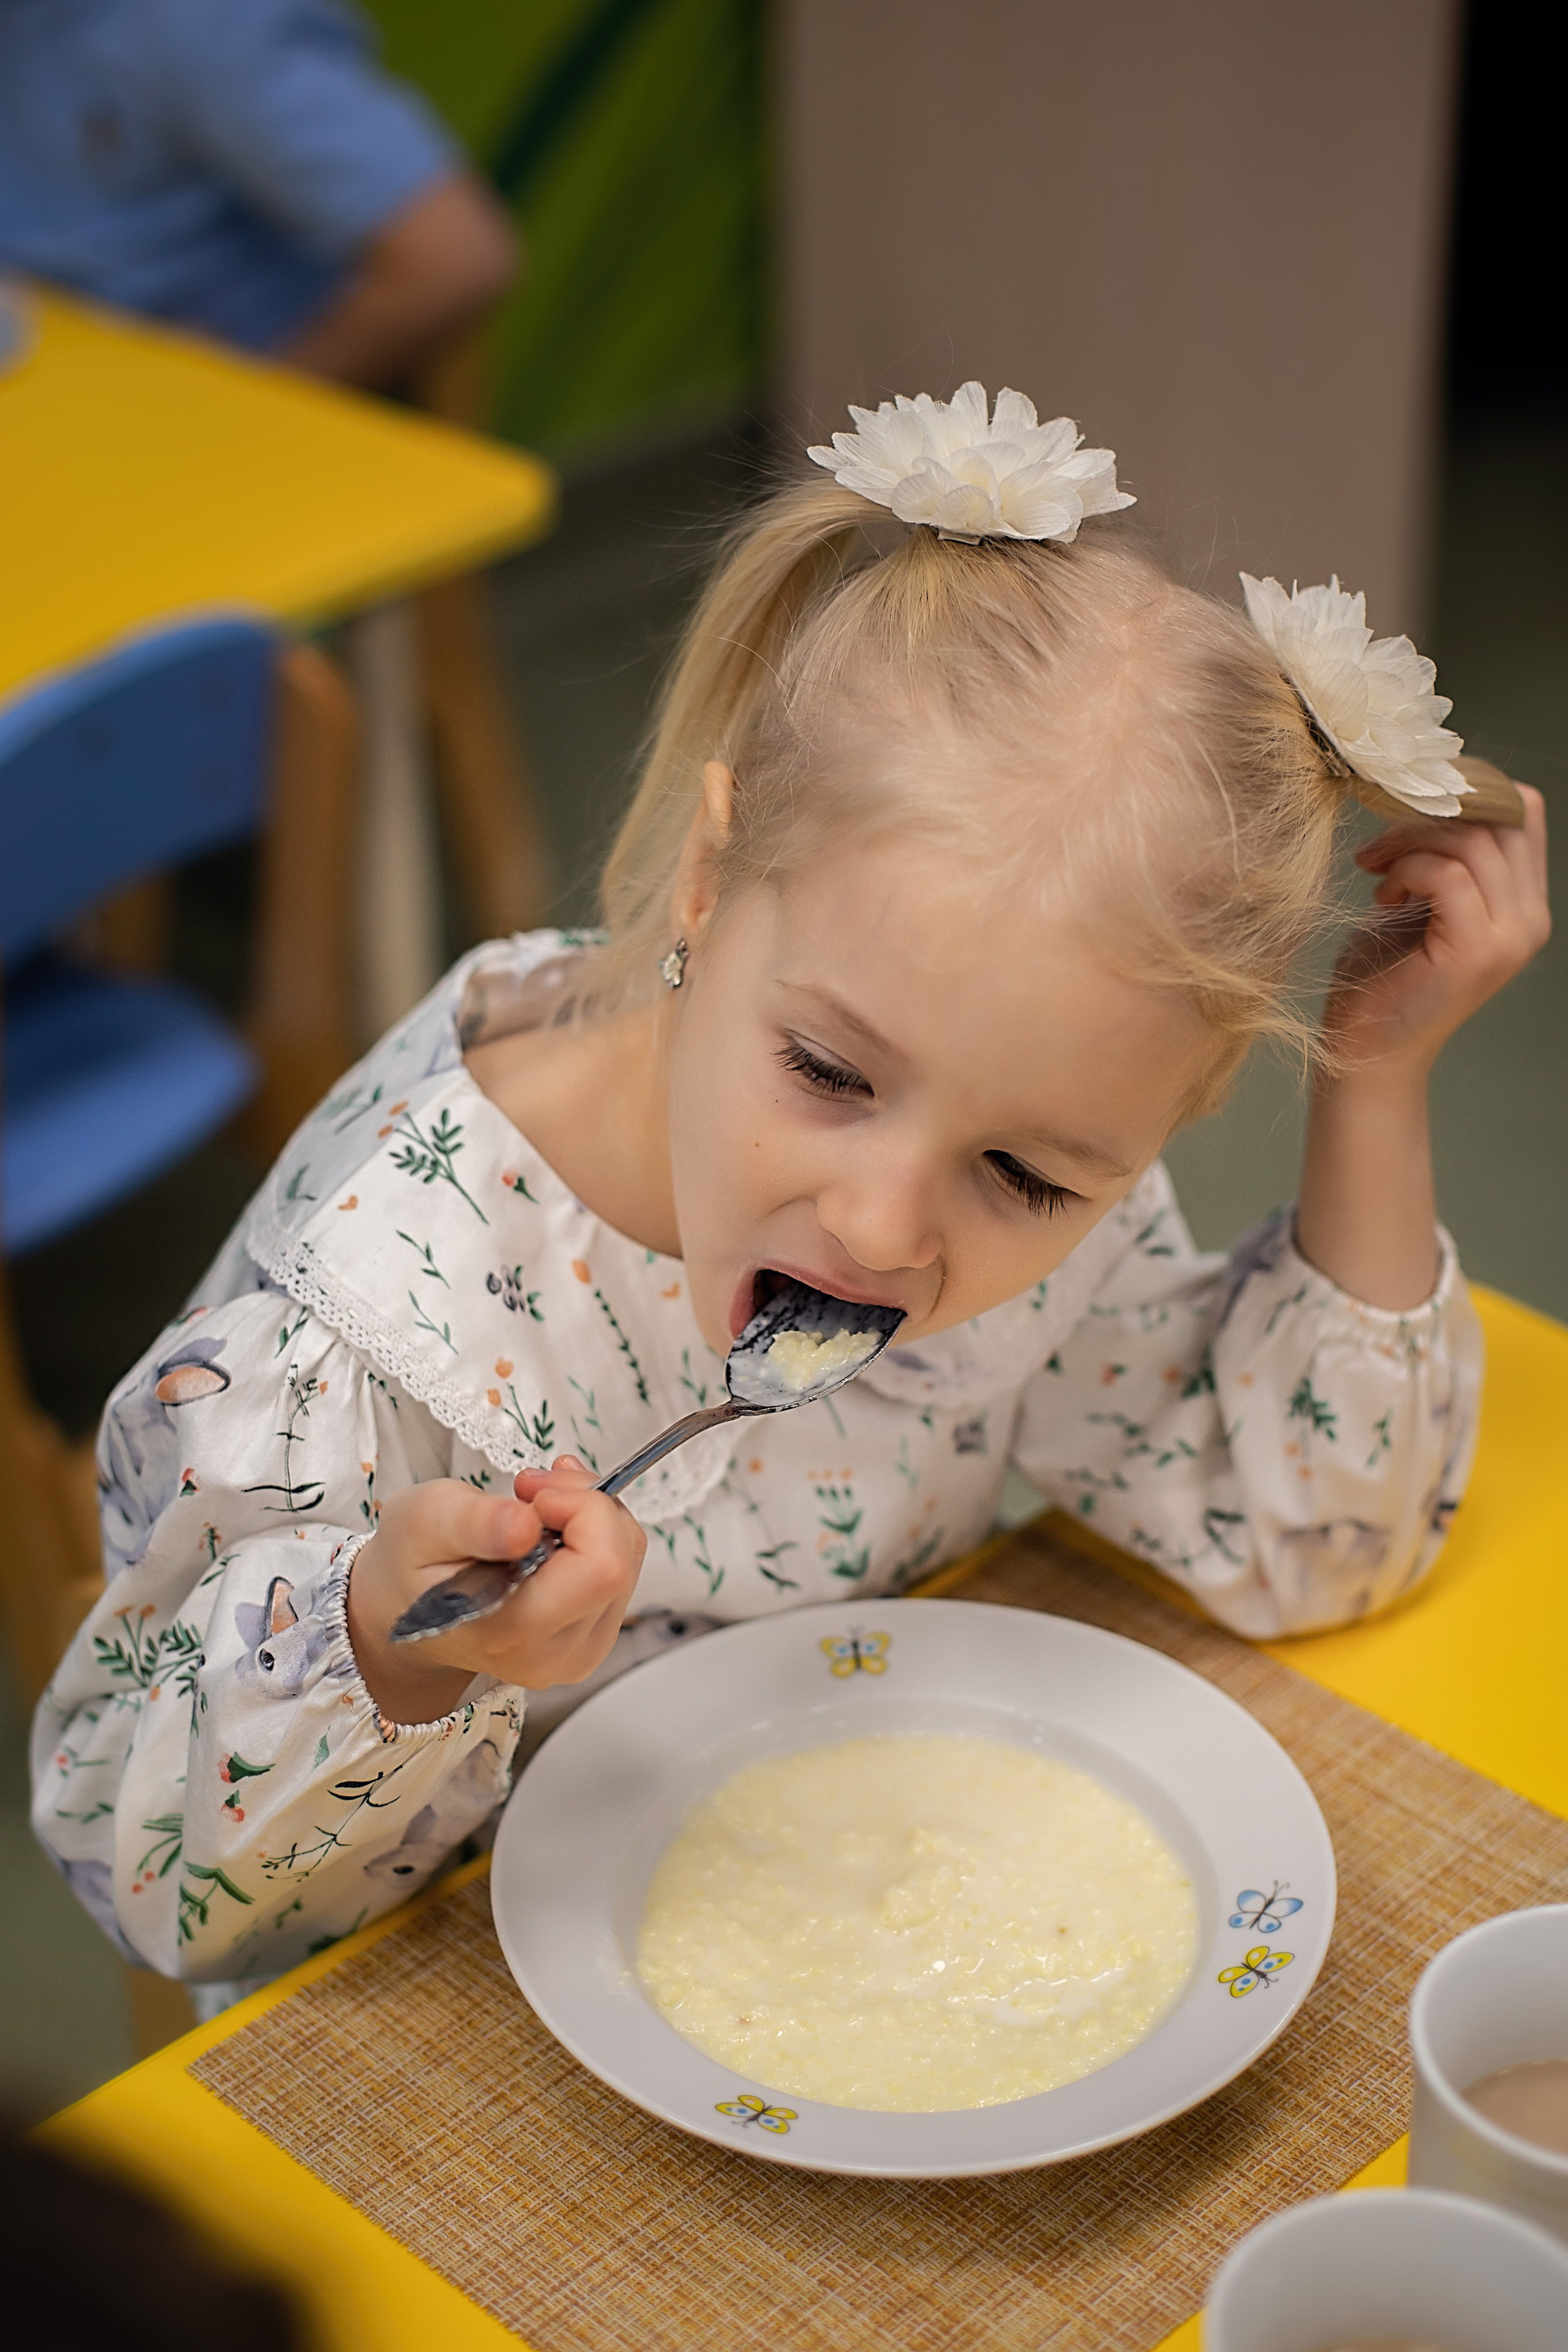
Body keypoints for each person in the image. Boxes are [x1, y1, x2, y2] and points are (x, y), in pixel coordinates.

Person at [32, 383, 1550, 1992]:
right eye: (827, 1074)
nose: (885, 1229)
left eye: (1025, 1174)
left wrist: (1372, 1085)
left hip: (841, 1938)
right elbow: (142, 1873)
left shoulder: (1053, 1237)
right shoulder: (379, 1318)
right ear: (709, 875)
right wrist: (378, 1652)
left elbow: (1311, 1536)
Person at [0, 0, 515, 388]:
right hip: (51, 371)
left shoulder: (199, 22)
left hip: (182, 419)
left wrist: (255, 400)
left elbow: (457, 258)